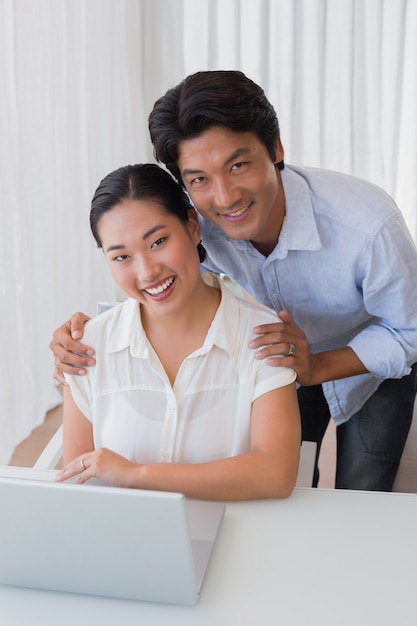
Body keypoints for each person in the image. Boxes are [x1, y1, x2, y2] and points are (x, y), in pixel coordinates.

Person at [51, 70, 417, 491]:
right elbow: (158, 276)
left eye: (238, 165)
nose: (225, 198)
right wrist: (86, 334)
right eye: (200, 179)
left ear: (276, 148)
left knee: (364, 485)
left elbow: (409, 329)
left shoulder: (368, 227)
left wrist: (318, 365)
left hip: (369, 361)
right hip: (279, 358)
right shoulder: (195, 219)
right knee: (297, 484)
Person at [54, 163, 301, 500]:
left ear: (192, 227)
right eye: (122, 256)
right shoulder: (85, 348)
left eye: (157, 242)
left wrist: (137, 475)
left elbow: (275, 474)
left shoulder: (263, 335)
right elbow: (77, 485)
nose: (147, 272)